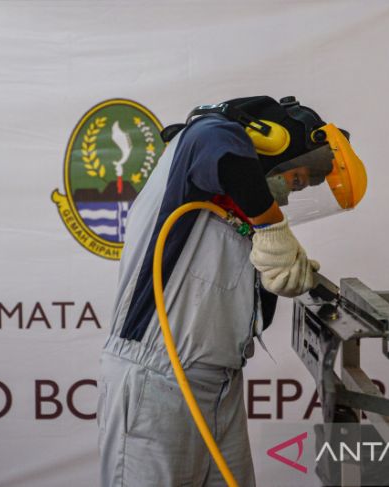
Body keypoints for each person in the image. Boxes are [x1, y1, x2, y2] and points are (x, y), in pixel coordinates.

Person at [97, 95, 336, 486]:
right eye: (297, 178)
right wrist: (272, 228)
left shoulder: (230, 210)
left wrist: (282, 270)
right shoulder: (201, 140)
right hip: (158, 381)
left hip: (219, 385)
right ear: (271, 144)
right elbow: (219, 145)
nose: (290, 195)